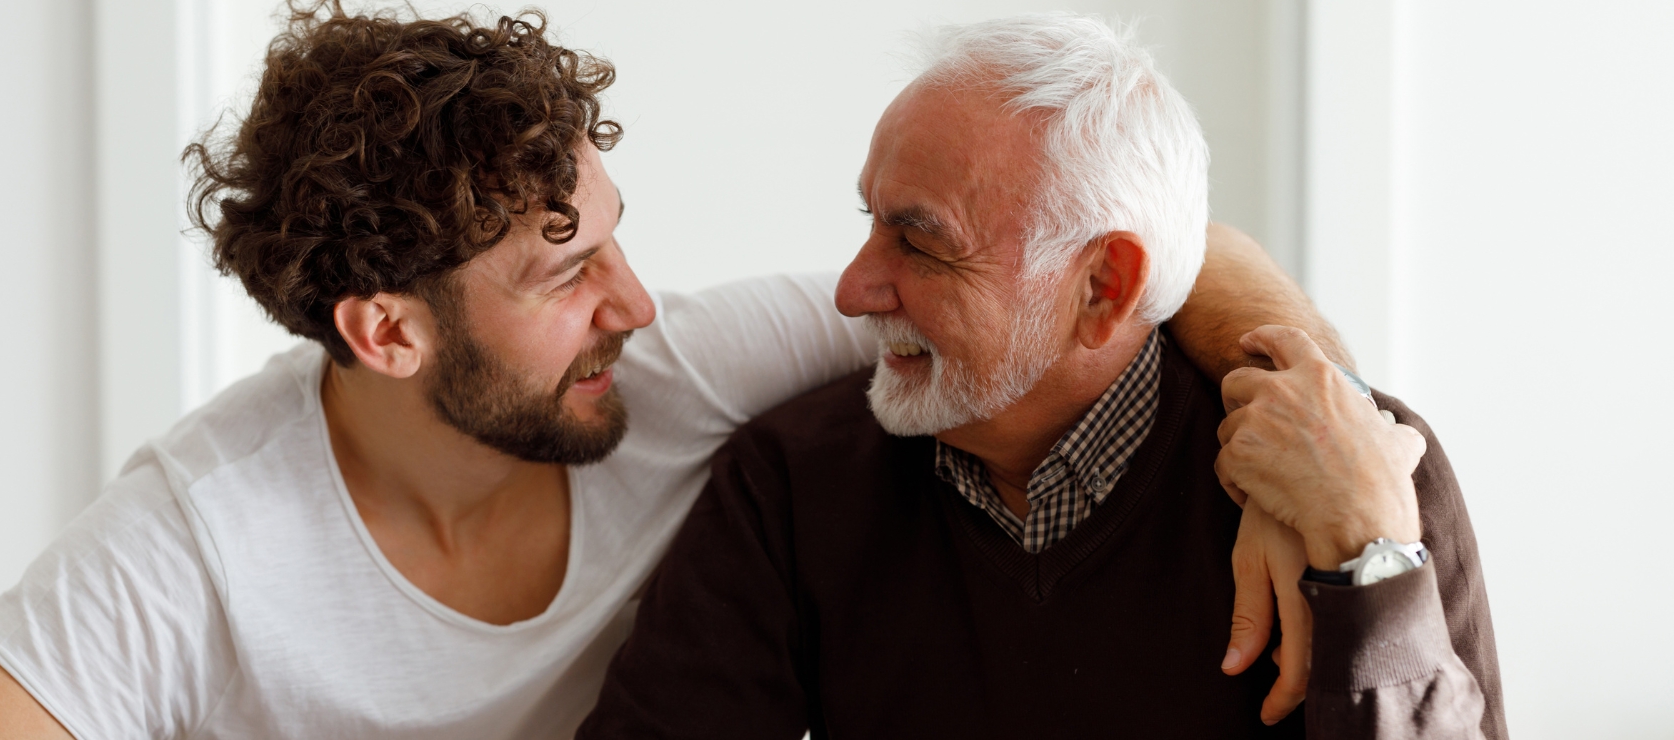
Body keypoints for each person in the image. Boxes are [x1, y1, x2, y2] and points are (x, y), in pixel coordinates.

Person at [0, 6, 1369, 739]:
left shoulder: (682, 370)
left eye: (617, 240)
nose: (635, 302)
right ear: (389, 333)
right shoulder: (202, 539)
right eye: (565, 274)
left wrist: (1304, 437)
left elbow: (1127, 252)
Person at [578, 13, 1503, 740]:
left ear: (1104, 287)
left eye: (919, 240)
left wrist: (1371, 567)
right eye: (869, 220)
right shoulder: (792, 485)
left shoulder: (1362, 478)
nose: (854, 291)